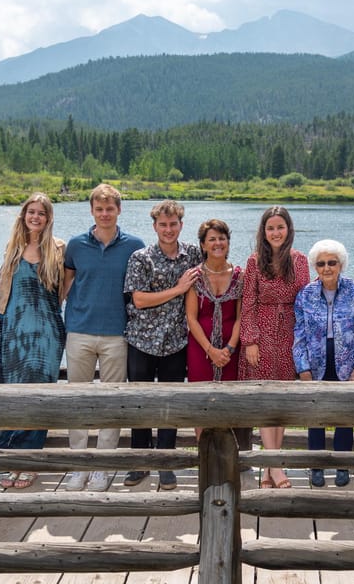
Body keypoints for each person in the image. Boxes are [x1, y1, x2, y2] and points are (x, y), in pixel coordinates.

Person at [62, 184, 144, 492]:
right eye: (99, 209)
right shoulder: (75, 245)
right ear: (92, 211)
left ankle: (103, 466)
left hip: (117, 333)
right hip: (80, 330)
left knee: (112, 402)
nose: (105, 213)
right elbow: (65, 286)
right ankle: (78, 465)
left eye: (110, 208)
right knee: (77, 400)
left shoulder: (134, 245)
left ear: (119, 210)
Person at [0, 193, 66, 489]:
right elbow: (3, 290)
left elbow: (68, 289)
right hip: (15, 333)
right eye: (31, 212)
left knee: (39, 398)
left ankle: (30, 462)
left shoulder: (59, 248)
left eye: (41, 213)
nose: (35, 217)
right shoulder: (14, 249)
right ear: (24, 216)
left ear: (48, 218)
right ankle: (13, 462)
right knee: (14, 397)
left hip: (46, 333)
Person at [122, 200, 202, 490]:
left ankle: (166, 463)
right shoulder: (141, 257)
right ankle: (140, 461)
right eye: (163, 225)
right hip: (142, 340)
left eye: (173, 224)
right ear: (155, 226)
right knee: (140, 403)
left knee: (170, 404)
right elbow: (139, 299)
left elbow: (218, 261)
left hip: (176, 341)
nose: (168, 230)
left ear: (181, 224)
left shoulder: (193, 254)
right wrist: (179, 289)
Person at [239, 206, 310, 489]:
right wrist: (250, 340)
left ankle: (270, 468)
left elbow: (305, 302)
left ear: (288, 229)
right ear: (264, 232)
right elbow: (248, 304)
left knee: (282, 403)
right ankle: (277, 465)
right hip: (263, 336)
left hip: (290, 335)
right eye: (271, 228)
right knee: (267, 401)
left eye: (280, 227)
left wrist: (302, 342)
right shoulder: (255, 261)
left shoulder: (300, 260)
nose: (276, 232)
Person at [294, 239, 354, 488]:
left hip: (347, 361)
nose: (327, 268)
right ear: (314, 266)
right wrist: (303, 368)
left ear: (341, 264)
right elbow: (298, 334)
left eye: (332, 262)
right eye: (321, 263)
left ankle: (342, 466)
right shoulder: (306, 294)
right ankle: (316, 466)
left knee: (344, 416)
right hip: (316, 360)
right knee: (315, 416)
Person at [185, 219, 250, 448]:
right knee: (201, 402)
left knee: (229, 402)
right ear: (203, 245)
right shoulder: (195, 276)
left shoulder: (240, 276)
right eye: (212, 239)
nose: (218, 243)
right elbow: (191, 318)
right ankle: (204, 454)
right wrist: (210, 350)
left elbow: (242, 316)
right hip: (200, 348)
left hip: (230, 349)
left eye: (222, 238)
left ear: (228, 243)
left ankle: (227, 456)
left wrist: (229, 348)